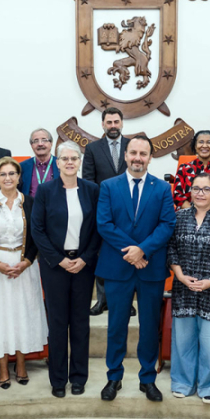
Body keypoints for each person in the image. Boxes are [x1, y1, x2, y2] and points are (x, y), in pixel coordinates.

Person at [97, 136, 176, 402]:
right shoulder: (108, 186)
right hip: (117, 268)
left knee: (149, 327)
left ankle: (148, 379)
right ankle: (113, 377)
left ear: (150, 157)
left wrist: (142, 250)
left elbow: (167, 224)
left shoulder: (162, 188)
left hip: (150, 268)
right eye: (133, 153)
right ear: (125, 155)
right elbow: (104, 224)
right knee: (116, 326)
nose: (137, 158)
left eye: (143, 153)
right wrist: (133, 252)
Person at [31, 142, 100, 397]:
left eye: (74, 158)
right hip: (55, 266)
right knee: (58, 323)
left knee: (80, 323)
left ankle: (79, 378)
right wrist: (58, 259)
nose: (69, 162)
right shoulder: (46, 191)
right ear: (57, 162)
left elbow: (98, 228)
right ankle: (58, 380)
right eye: (64, 158)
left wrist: (85, 258)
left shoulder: (92, 190)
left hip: (83, 265)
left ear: (79, 162)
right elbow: (37, 229)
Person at [0, 157, 47, 388]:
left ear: (19, 177)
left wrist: (26, 261)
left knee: (22, 315)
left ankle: (21, 363)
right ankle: (4, 366)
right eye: (3, 174)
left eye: (12, 174)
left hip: (24, 267)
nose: (8, 178)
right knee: (1, 316)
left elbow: (38, 234)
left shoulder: (30, 202)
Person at [167, 172, 210, 404]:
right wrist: (180, 276)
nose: (200, 193)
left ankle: (209, 385)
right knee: (183, 340)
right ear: (190, 191)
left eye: (206, 189)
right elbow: (171, 249)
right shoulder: (179, 217)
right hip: (183, 288)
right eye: (196, 188)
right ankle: (182, 383)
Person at [82, 107, 129, 317]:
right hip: (102, 212)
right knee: (102, 257)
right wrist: (99, 209)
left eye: (116, 122)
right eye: (109, 122)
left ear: (122, 123)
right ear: (102, 124)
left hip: (129, 212)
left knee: (127, 255)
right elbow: (89, 181)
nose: (113, 126)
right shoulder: (92, 149)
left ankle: (125, 301)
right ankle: (102, 300)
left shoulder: (132, 146)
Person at [171, 130, 210, 211]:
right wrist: (193, 212)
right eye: (201, 142)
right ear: (195, 146)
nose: (204, 146)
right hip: (188, 214)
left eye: (209, 142)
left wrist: (209, 211)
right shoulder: (184, 168)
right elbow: (177, 195)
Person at [20, 128, 60, 197]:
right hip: (31, 204)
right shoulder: (22, 167)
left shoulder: (62, 165)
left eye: (44, 140)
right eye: (36, 141)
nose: (40, 144)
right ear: (31, 145)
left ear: (51, 143)